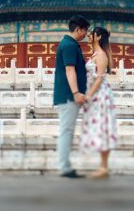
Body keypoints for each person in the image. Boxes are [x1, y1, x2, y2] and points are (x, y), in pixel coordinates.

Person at [53, 14, 90, 178]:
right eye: (85, 30)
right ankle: (65, 167)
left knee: (66, 130)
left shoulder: (70, 44)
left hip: (68, 95)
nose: (86, 34)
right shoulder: (69, 45)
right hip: (69, 95)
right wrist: (76, 93)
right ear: (78, 29)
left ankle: (65, 166)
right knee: (66, 130)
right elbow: (70, 70)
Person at [79, 26, 117, 179]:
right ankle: (103, 167)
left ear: (99, 37)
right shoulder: (96, 54)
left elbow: (100, 77)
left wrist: (88, 95)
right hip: (96, 95)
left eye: (91, 34)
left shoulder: (101, 55)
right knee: (99, 128)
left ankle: (104, 167)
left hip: (100, 96)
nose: (89, 36)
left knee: (103, 128)